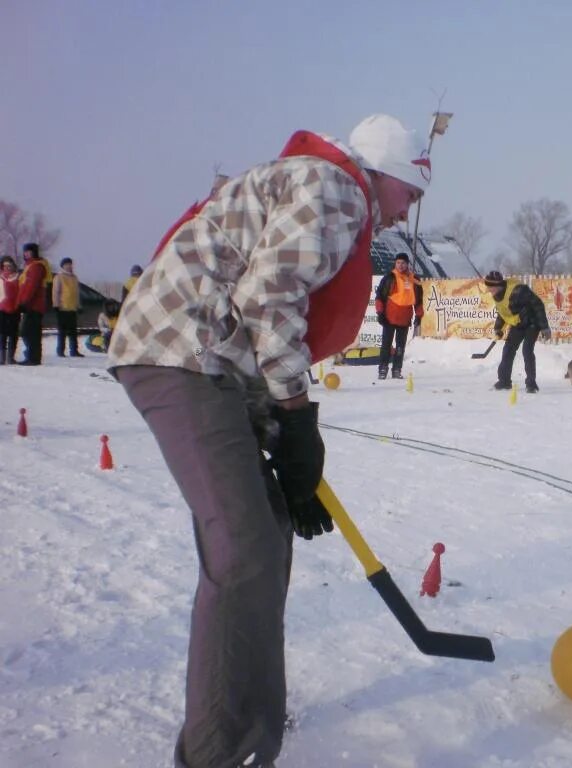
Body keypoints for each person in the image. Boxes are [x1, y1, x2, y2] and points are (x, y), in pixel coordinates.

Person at [107, 114, 430, 768]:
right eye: (413, 191)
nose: (409, 210)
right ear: (388, 172)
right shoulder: (339, 190)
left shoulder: (320, 185)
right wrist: (297, 412)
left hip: (205, 358)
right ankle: (217, 753)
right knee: (243, 548)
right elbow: (267, 299)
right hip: (179, 352)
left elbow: (251, 313)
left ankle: (254, 724)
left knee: (268, 527)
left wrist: (282, 443)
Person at [483, 270, 550, 393]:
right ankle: (504, 382)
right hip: (518, 323)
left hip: (532, 322)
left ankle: (531, 384)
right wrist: (498, 328)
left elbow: (538, 304)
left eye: (491, 287)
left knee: (527, 351)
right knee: (508, 349)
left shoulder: (518, 291)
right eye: (488, 287)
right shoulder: (497, 295)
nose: (489, 290)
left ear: (498, 286)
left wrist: (544, 327)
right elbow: (503, 312)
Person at [374, 252, 422, 379]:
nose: (401, 265)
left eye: (403, 263)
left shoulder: (415, 280)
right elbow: (379, 297)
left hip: (405, 319)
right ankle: (383, 369)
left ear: (407, 264)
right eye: (398, 263)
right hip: (389, 318)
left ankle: (397, 370)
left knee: (400, 347)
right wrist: (380, 313)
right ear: (395, 263)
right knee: (386, 346)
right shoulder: (389, 278)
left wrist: (419, 316)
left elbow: (419, 301)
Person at [16, 243, 47, 365]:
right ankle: (32, 356)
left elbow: (31, 286)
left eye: (29, 252)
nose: (26, 254)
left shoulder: (36, 267)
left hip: (34, 305)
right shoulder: (29, 266)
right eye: (25, 252)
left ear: (34, 252)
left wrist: (24, 302)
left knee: (28, 331)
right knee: (30, 331)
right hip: (32, 305)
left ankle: (32, 357)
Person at [52, 257, 83, 357]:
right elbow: (56, 292)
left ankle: (74, 350)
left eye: (70, 264)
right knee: (62, 330)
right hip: (62, 307)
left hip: (72, 308)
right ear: (62, 266)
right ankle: (60, 350)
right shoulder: (59, 277)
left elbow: (76, 293)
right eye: (66, 264)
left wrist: (78, 305)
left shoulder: (74, 278)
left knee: (73, 331)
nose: (69, 266)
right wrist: (56, 304)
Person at [0, 255, 20, 364]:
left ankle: (10, 357)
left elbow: (20, 293)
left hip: (15, 309)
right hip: (2, 309)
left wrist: (18, 305)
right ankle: (1, 357)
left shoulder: (18, 277)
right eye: (5, 265)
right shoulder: (1, 278)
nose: (7, 268)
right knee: (2, 334)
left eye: (9, 265)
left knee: (13, 334)